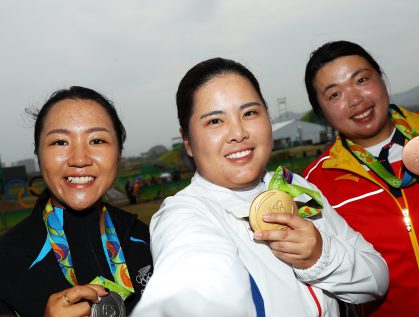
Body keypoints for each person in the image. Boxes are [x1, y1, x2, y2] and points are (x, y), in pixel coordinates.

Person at [132, 57, 389, 317]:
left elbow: (377, 279)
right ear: (187, 141)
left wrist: (320, 256)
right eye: (215, 121)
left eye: (249, 113)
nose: (238, 133)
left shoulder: (297, 186)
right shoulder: (184, 215)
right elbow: (193, 285)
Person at [303, 40, 419, 316]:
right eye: (334, 95)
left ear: (382, 80)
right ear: (321, 113)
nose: (355, 100)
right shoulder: (316, 184)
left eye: (361, 80)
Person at [0, 86, 153, 316]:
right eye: (60, 142)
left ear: (119, 155)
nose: (79, 159)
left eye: (97, 140)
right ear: (39, 156)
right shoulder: (6, 260)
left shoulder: (147, 239)